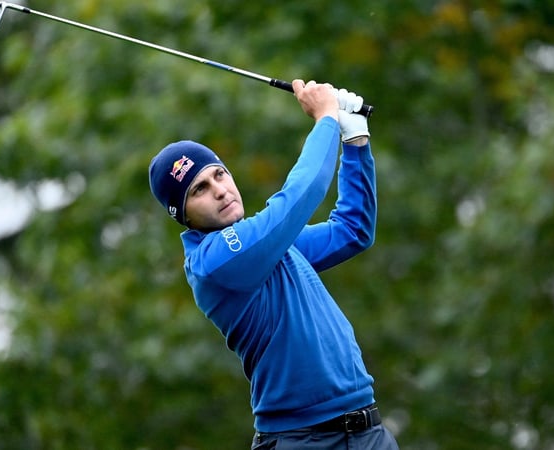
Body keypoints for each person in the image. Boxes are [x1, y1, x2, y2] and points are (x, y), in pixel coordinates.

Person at [148, 80, 398, 450]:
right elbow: (300, 195)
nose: (219, 189)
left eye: (219, 174)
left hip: (368, 433)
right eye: (198, 190)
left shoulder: (272, 244)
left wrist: (355, 141)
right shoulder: (216, 262)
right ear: (182, 216)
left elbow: (353, 229)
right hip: (301, 441)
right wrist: (326, 119)